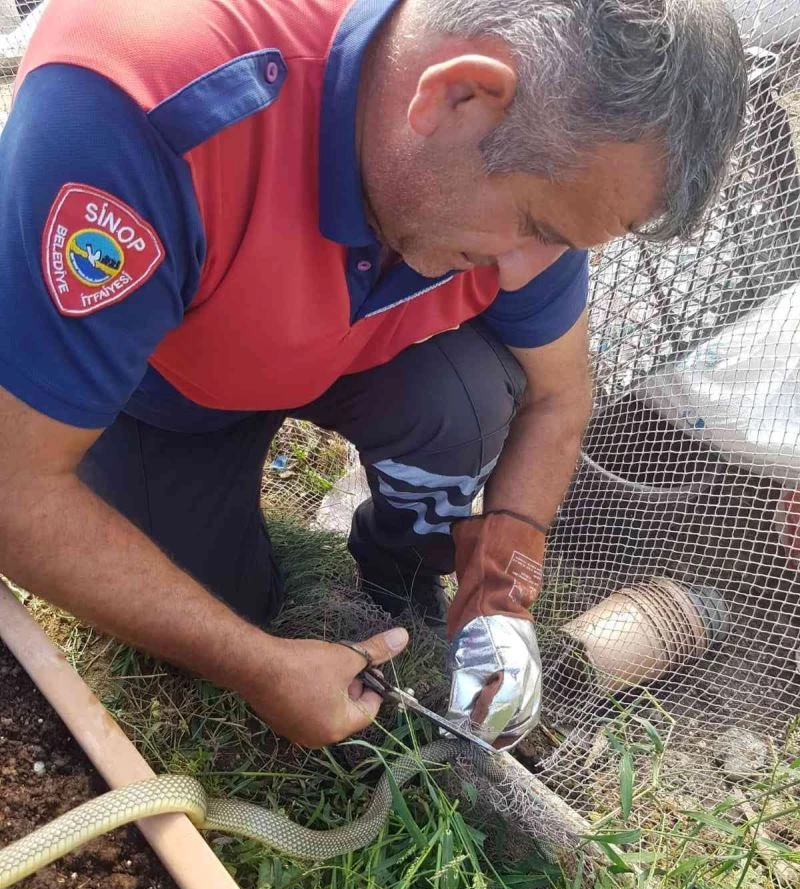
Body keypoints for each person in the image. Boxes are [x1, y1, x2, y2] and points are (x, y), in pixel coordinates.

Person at [0, 0, 745, 749]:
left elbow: (557, 396)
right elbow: (14, 490)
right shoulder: (137, 110)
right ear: (457, 95)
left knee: (469, 404)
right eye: (538, 227)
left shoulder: (528, 156)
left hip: (349, 344)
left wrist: (501, 596)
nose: (531, 272)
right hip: (172, 385)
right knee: (220, 614)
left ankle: (399, 570)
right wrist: (257, 663)